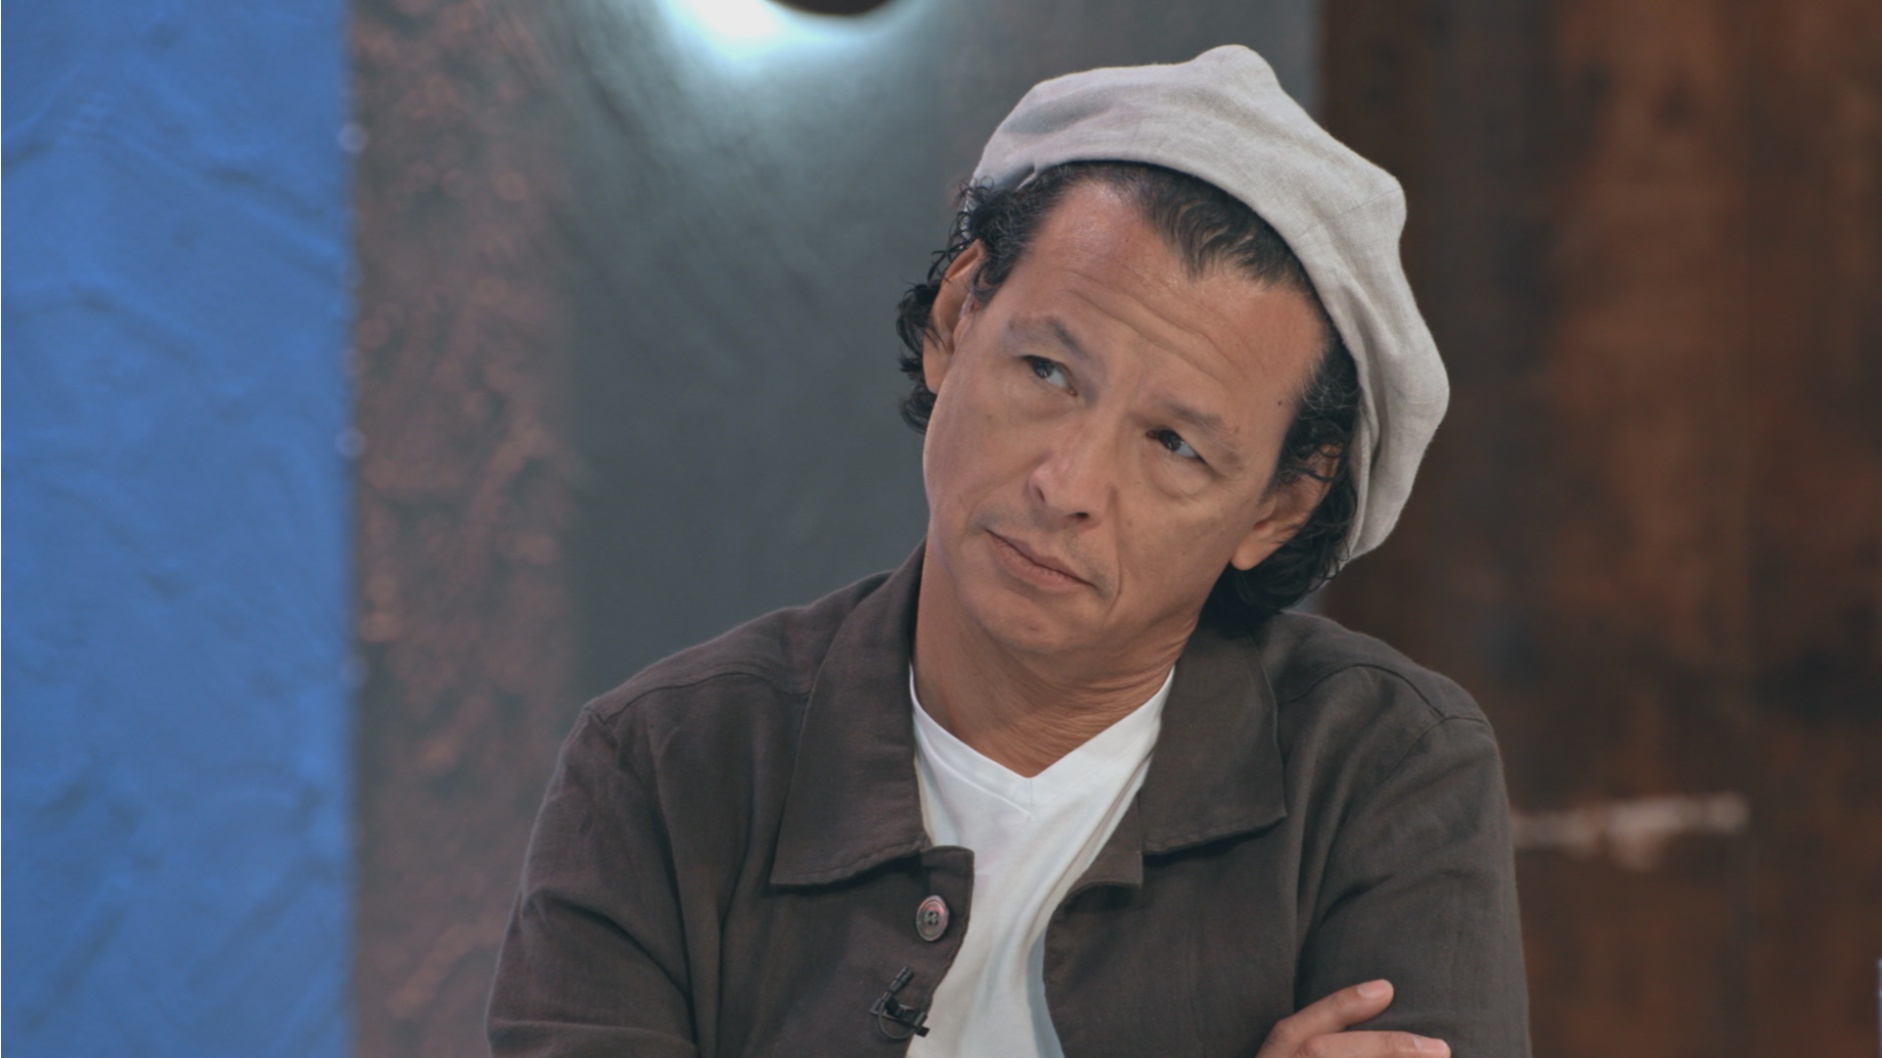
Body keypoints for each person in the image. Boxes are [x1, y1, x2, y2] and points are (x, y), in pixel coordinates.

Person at [488, 46, 1529, 1058]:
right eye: (1047, 371)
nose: (1066, 486)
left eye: (1174, 444)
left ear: (1278, 508)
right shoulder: (666, 764)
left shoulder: (1381, 767)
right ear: (957, 316)